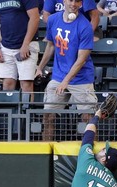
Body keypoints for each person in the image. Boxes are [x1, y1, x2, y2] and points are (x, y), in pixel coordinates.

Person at [36, 0, 98, 141]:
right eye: (70, 0)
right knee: (48, 116)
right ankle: (47, 154)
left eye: (77, 1)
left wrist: (66, 81)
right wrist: (40, 67)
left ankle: (90, 154)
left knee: (88, 119)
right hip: (58, 76)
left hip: (81, 78)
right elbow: (51, 46)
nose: (73, 4)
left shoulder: (85, 27)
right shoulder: (52, 19)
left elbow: (81, 59)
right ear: (64, 1)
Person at [70, 109, 117, 187]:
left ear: (104, 159)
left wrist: (96, 117)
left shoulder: (87, 161)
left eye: (103, 150)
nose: (100, 149)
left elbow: (88, 134)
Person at [0, 0, 40, 97]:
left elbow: (35, 18)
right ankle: (8, 110)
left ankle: (27, 111)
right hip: (6, 45)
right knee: (7, 84)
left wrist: (26, 44)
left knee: (26, 85)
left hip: (27, 44)